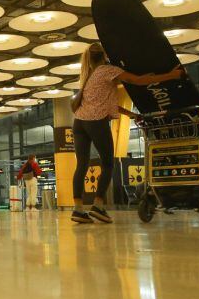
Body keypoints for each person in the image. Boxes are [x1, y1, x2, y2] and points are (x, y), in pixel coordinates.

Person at [71, 43, 184, 225]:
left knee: (82, 165)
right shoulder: (107, 70)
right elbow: (137, 81)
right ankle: (98, 206)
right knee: (108, 163)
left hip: (78, 123)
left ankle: (78, 209)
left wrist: (132, 115)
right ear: (105, 55)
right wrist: (172, 75)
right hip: (95, 122)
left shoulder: (90, 76)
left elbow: (108, 103)